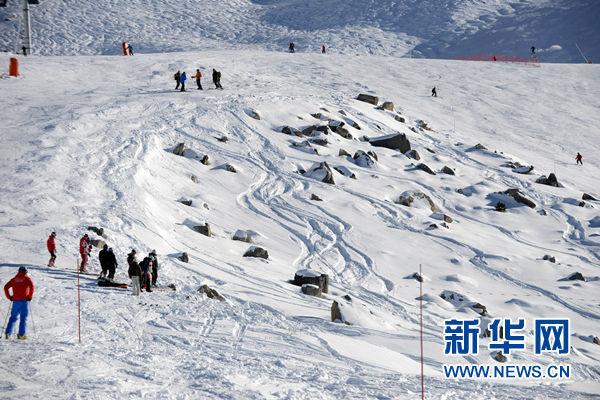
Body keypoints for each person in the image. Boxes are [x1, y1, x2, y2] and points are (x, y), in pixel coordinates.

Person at [4, 266, 35, 340]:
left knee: (13, 317)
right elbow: (32, 287)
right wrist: (29, 297)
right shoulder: (27, 279)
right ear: (25, 272)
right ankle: (21, 335)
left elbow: (6, 287)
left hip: (15, 301)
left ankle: (8, 334)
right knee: (23, 318)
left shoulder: (14, 279)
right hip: (24, 301)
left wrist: (9, 297)